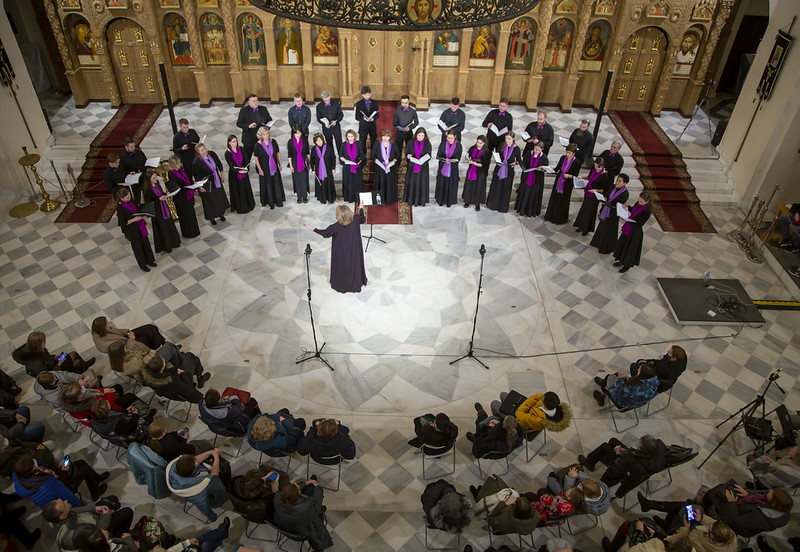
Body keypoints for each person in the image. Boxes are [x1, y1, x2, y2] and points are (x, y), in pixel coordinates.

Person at [578, 435, 670, 499]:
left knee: (605, 446)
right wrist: (624, 450)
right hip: (633, 461)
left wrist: (618, 453)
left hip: (621, 469)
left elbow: (620, 464)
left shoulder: (635, 462)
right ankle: (603, 456)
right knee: (613, 441)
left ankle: (590, 462)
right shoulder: (657, 450)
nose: (639, 439)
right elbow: (636, 453)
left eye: (641, 441)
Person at [304, 203, 368, 293]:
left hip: (341, 252)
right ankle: (355, 283)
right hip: (354, 251)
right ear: (350, 213)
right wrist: (360, 208)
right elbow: (362, 218)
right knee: (354, 266)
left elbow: (325, 233)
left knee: (341, 267)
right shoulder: (356, 221)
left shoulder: (335, 227)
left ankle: (342, 284)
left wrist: (312, 228)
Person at [702, 481, 792, 537]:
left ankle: (702, 507)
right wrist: (748, 494)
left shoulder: (758, 518)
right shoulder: (781, 509)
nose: (770, 491)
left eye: (772, 493)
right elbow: (758, 502)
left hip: (736, 521)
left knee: (714, 493)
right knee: (724, 487)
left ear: (774, 502)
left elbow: (735, 521)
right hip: (742, 510)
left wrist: (732, 503)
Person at [43, 496, 134, 551]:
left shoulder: (65, 515)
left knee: (111, 499)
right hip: (102, 531)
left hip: (96, 520)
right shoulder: (73, 532)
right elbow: (98, 532)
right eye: (63, 503)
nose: (66, 501)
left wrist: (95, 508)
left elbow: (81, 509)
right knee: (127, 512)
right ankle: (123, 535)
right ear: (62, 516)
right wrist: (106, 515)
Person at [13, 453, 109, 504]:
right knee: (85, 470)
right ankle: (95, 492)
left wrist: (56, 468)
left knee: (81, 462)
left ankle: (97, 478)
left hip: (56, 475)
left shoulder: (22, 473)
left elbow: (47, 471)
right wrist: (64, 471)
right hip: (66, 486)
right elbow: (61, 486)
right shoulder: (45, 484)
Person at [167, 450, 229, 521]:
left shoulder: (174, 469)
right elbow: (214, 476)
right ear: (193, 470)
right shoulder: (197, 491)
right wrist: (216, 458)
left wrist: (211, 452)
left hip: (192, 489)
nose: (196, 462)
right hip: (205, 491)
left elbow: (194, 459)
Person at [273, 478, 333, 551]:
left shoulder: (276, 498)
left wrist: (304, 484)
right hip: (301, 531)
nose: (296, 484)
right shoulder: (306, 508)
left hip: (283, 526)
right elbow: (317, 505)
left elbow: (288, 492)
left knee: (310, 485)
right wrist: (317, 488)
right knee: (318, 516)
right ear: (298, 494)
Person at [472, 475, 539, 536]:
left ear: (516, 509)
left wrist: (504, 504)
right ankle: (480, 491)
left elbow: (491, 519)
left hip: (500, 526)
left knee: (490, 497)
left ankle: (478, 494)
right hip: (514, 528)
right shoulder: (536, 516)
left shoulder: (506, 520)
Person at [13, 331, 95, 378]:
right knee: (76, 362)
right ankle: (82, 370)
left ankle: (84, 366)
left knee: (74, 355)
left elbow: (46, 357)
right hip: (55, 370)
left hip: (52, 363)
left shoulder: (31, 349)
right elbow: (48, 374)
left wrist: (55, 357)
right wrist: (59, 363)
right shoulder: (36, 364)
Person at [491, 391, 572, 435]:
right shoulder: (553, 404)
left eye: (543, 398)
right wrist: (530, 402)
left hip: (520, 424)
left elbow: (519, 414)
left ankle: (501, 423)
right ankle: (503, 416)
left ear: (544, 405)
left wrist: (530, 401)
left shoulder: (539, 420)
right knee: (503, 394)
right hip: (525, 410)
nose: (542, 396)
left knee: (494, 404)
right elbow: (537, 396)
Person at [116, 188, 156, 272]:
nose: (129, 198)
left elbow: (138, 209)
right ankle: (143, 265)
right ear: (122, 198)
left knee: (145, 243)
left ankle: (150, 260)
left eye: (129, 196)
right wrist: (135, 219)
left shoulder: (131, 201)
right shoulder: (120, 207)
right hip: (131, 229)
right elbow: (122, 223)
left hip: (140, 225)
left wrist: (144, 214)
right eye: (127, 197)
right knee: (137, 247)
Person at [141, 169, 181, 254]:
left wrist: (165, 194)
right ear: (149, 180)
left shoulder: (157, 183)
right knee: (163, 228)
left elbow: (160, 193)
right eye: (154, 178)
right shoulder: (147, 190)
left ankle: (174, 242)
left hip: (164, 207)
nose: (156, 179)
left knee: (169, 224)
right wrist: (159, 200)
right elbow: (149, 203)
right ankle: (167, 246)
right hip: (157, 211)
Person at [547, 464, 611, 515]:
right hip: (576, 499)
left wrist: (570, 477)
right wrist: (578, 475)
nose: (580, 483)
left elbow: (568, 494)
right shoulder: (601, 487)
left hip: (568, 501)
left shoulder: (584, 503)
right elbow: (589, 480)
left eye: (580, 485)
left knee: (552, 476)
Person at [142, 354, 208, 404]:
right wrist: (182, 374)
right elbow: (188, 387)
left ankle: (199, 376)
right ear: (162, 367)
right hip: (182, 390)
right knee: (191, 357)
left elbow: (164, 373)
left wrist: (175, 369)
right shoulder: (171, 382)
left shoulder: (149, 376)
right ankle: (200, 377)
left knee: (188, 357)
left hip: (173, 391)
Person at [591, 173, 630, 254]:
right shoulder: (612, 186)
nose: (617, 182)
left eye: (620, 181)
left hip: (613, 215)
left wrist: (608, 203)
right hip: (606, 210)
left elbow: (618, 205)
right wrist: (605, 198)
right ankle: (597, 243)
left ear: (624, 183)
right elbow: (607, 194)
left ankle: (605, 248)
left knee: (608, 231)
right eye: (617, 180)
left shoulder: (625, 193)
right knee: (602, 228)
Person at [192, 143, 229, 226]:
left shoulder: (211, 154)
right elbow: (196, 176)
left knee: (218, 198)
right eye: (201, 151)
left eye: (204, 149)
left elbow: (219, 164)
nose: (204, 151)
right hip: (207, 184)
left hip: (216, 180)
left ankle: (220, 214)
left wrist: (222, 174)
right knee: (210, 201)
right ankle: (212, 217)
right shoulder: (196, 162)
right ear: (198, 152)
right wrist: (200, 187)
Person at [614, 191, 651, 273]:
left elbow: (640, 223)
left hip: (635, 232)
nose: (639, 202)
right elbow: (634, 210)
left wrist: (630, 219)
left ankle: (626, 265)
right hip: (628, 228)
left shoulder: (647, 211)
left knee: (629, 249)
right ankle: (620, 260)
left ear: (647, 202)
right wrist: (628, 207)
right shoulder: (638, 204)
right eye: (639, 200)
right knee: (623, 245)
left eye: (641, 201)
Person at [543, 144, 581, 224]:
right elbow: (557, 169)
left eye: (569, 153)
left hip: (567, 184)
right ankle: (550, 216)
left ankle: (559, 218)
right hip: (559, 181)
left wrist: (569, 176)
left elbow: (575, 176)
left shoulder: (576, 162)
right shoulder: (563, 158)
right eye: (567, 152)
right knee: (555, 198)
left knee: (562, 201)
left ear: (573, 153)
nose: (567, 154)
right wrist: (549, 170)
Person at [166, 155, 201, 238]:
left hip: (188, 195)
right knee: (185, 217)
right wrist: (186, 187)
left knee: (191, 214)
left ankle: (194, 231)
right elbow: (175, 187)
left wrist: (193, 183)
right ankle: (188, 233)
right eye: (177, 164)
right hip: (181, 198)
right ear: (173, 165)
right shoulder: (171, 174)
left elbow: (187, 178)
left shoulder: (181, 169)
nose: (179, 164)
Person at [573, 157, 610, 235]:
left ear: (602, 166)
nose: (596, 168)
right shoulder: (594, 170)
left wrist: (595, 190)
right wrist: (582, 177)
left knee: (589, 212)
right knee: (584, 210)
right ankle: (580, 226)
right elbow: (589, 177)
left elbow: (604, 189)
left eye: (598, 167)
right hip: (588, 193)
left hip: (594, 197)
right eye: (595, 166)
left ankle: (586, 229)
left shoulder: (605, 176)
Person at [486, 132, 522, 213]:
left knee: (505, 188)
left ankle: (502, 207)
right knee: (496, 186)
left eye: (509, 139)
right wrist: (497, 161)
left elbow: (519, 160)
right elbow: (498, 154)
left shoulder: (516, 149)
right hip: (499, 168)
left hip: (508, 170)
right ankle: (493, 204)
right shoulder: (502, 145)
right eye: (506, 138)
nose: (507, 140)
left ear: (513, 139)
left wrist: (515, 163)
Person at [593, 365, 659, 408]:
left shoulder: (633, 389)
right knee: (616, 374)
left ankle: (601, 397)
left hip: (623, 401)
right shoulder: (654, 382)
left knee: (609, 377)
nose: (637, 370)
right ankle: (604, 384)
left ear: (642, 375)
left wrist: (621, 378)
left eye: (639, 371)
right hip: (638, 402)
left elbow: (619, 389)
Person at [90, 315, 165, 353]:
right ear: (103, 328)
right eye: (107, 323)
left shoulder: (100, 330)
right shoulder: (108, 344)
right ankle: (162, 347)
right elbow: (126, 350)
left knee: (150, 328)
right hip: (129, 345)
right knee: (149, 337)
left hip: (125, 338)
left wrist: (127, 332)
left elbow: (116, 331)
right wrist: (131, 339)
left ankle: (163, 343)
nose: (109, 323)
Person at [253, 125, 285, 209]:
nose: (266, 136)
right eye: (264, 134)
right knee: (267, 184)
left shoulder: (273, 142)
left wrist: (280, 164)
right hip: (265, 168)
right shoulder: (257, 145)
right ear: (260, 135)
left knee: (276, 183)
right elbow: (256, 158)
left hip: (274, 166)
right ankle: (270, 201)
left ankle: (278, 200)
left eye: (267, 134)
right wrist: (259, 169)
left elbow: (277, 153)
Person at [514, 141, 549, 217]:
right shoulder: (528, 153)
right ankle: (521, 209)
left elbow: (545, 168)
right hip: (527, 175)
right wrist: (523, 167)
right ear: (534, 147)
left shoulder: (544, 158)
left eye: (539, 150)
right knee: (525, 192)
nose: (537, 151)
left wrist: (541, 169)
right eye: (536, 149)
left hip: (537, 178)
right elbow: (524, 163)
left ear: (542, 150)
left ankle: (531, 211)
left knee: (533, 194)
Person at [224, 134, 256, 213]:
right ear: (229, 143)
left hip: (243, 172)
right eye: (233, 142)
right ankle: (240, 207)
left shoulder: (241, 149)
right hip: (235, 175)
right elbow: (231, 166)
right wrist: (239, 171)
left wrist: (245, 168)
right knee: (238, 190)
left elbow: (246, 159)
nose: (235, 143)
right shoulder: (227, 153)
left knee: (245, 189)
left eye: (236, 141)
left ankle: (249, 205)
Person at [404, 127, 432, 206]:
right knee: (413, 183)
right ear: (416, 135)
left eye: (422, 136)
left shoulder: (427, 144)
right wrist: (408, 155)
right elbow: (407, 152)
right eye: (419, 135)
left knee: (422, 184)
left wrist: (423, 160)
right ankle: (412, 200)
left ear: (425, 136)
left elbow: (429, 155)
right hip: (413, 166)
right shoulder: (410, 142)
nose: (420, 137)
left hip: (423, 167)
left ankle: (421, 201)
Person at [371, 130, 400, 205]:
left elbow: (397, 155)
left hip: (390, 168)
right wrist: (377, 161)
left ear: (390, 137)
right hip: (380, 168)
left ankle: (389, 199)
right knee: (380, 183)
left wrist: (394, 160)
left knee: (389, 183)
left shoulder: (393, 144)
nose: (385, 138)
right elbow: (373, 155)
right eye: (384, 136)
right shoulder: (377, 144)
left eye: (387, 136)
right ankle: (379, 200)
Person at [462, 135, 491, 211]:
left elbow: (485, 165)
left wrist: (475, 164)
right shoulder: (472, 148)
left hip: (480, 172)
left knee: (478, 187)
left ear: (484, 143)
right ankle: (467, 201)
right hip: (472, 169)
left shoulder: (487, 152)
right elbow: (468, 155)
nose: (478, 144)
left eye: (480, 143)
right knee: (469, 186)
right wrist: (467, 157)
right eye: (477, 142)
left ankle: (477, 203)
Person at [435, 130, 463, 207]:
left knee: (451, 185)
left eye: (451, 138)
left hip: (452, 169)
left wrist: (451, 160)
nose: (449, 140)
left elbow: (458, 158)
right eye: (448, 138)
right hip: (443, 167)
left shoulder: (458, 146)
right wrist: (444, 159)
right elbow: (438, 155)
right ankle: (440, 200)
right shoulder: (443, 144)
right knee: (442, 184)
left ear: (455, 137)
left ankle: (449, 202)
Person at [339, 129, 365, 203]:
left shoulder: (358, 144)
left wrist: (359, 161)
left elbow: (362, 155)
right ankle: (349, 197)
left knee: (357, 182)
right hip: (347, 167)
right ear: (346, 137)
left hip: (356, 166)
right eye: (349, 136)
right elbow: (341, 156)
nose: (350, 138)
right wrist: (344, 160)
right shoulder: (343, 145)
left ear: (354, 136)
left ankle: (357, 197)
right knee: (348, 182)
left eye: (351, 136)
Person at [310, 133, 337, 204]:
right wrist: (313, 169)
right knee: (322, 184)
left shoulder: (328, 147)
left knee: (329, 183)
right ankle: (323, 198)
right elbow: (311, 160)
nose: (319, 142)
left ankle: (330, 198)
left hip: (328, 169)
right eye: (317, 141)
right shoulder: (313, 149)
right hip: (319, 170)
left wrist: (333, 168)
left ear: (322, 139)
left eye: (320, 140)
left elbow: (333, 158)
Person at [287, 125, 310, 204]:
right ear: (293, 133)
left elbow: (307, 152)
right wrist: (290, 165)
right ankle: (299, 197)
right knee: (297, 180)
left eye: (299, 133)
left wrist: (309, 163)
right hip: (295, 162)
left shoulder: (304, 140)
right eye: (296, 134)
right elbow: (289, 155)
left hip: (303, 162)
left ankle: (304, 196)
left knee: (304, 180)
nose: (298, 135)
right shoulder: (290, 142)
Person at [317, 91, 343, 157]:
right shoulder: (319, 106)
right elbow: (318, 118)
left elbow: (341, 115)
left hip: (336, 126)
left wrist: (336, 121)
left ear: (330, 97)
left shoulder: (336, 104)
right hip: (326, 128)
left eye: (328, 100)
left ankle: (341, 157)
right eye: (325, 100)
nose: (327, 102)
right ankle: (332, 157)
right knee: (329, 143)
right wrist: (324, 123)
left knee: (339, 141)